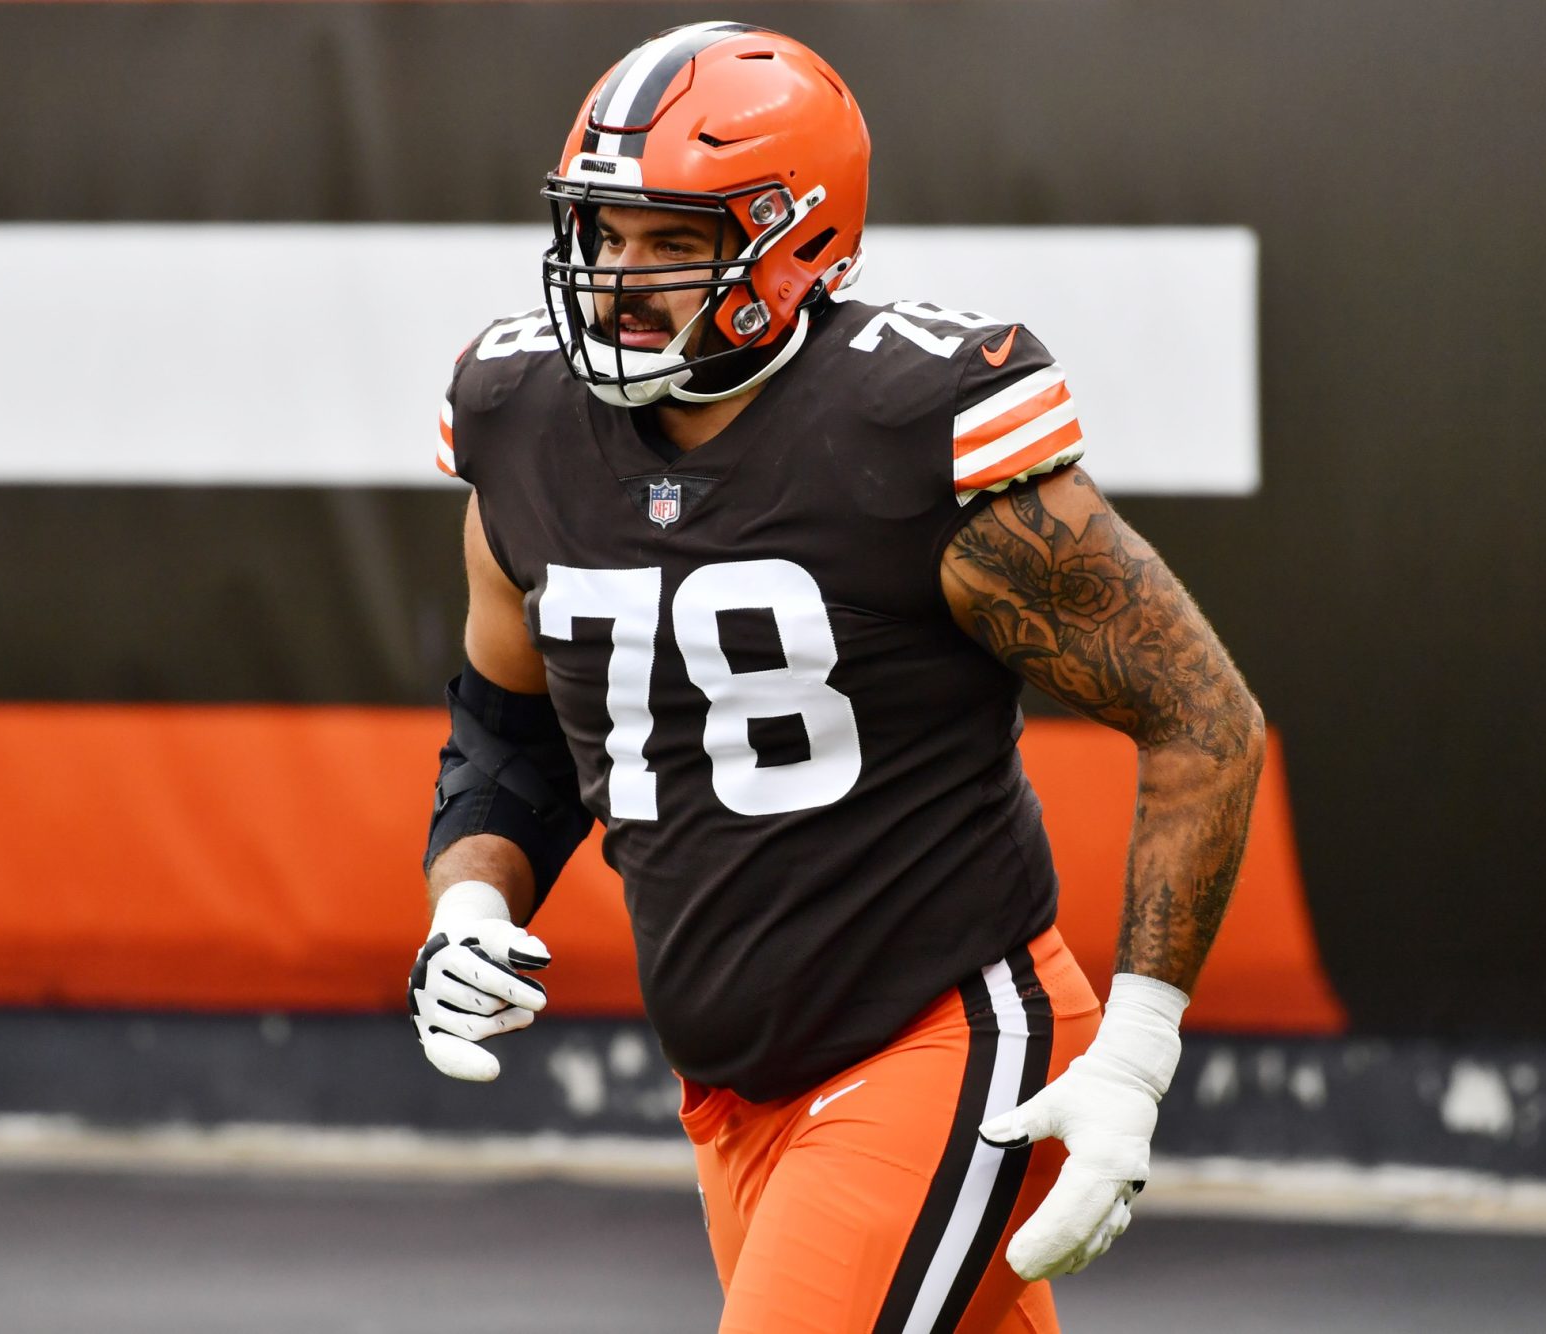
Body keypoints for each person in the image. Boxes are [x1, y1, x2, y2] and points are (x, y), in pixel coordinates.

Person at [409, 21, 1265, 1334]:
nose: (619, 279)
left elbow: (1202, 715)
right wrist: (467, 900)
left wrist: (1138, 1058)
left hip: (944, 1039)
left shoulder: (905, 428)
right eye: (602, 234)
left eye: (672, 241)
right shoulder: (525, 422)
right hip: (736, 1091)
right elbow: (513, 731)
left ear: (798, 243)